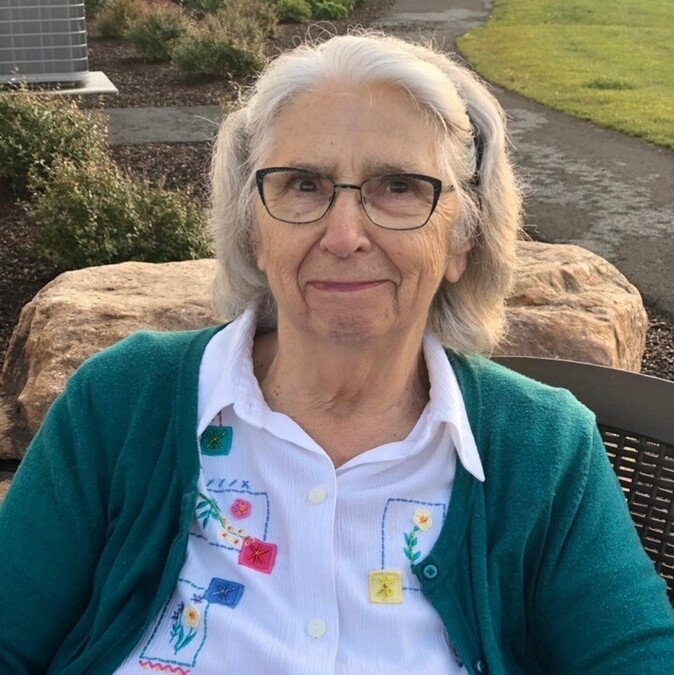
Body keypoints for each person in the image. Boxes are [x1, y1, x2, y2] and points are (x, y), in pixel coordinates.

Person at [0, 31, 672, 674]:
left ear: (462, 237)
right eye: (303, 185)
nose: (345, 234)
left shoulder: (545, 448)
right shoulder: (119, 402)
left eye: (398, 186)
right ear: (252, 227)